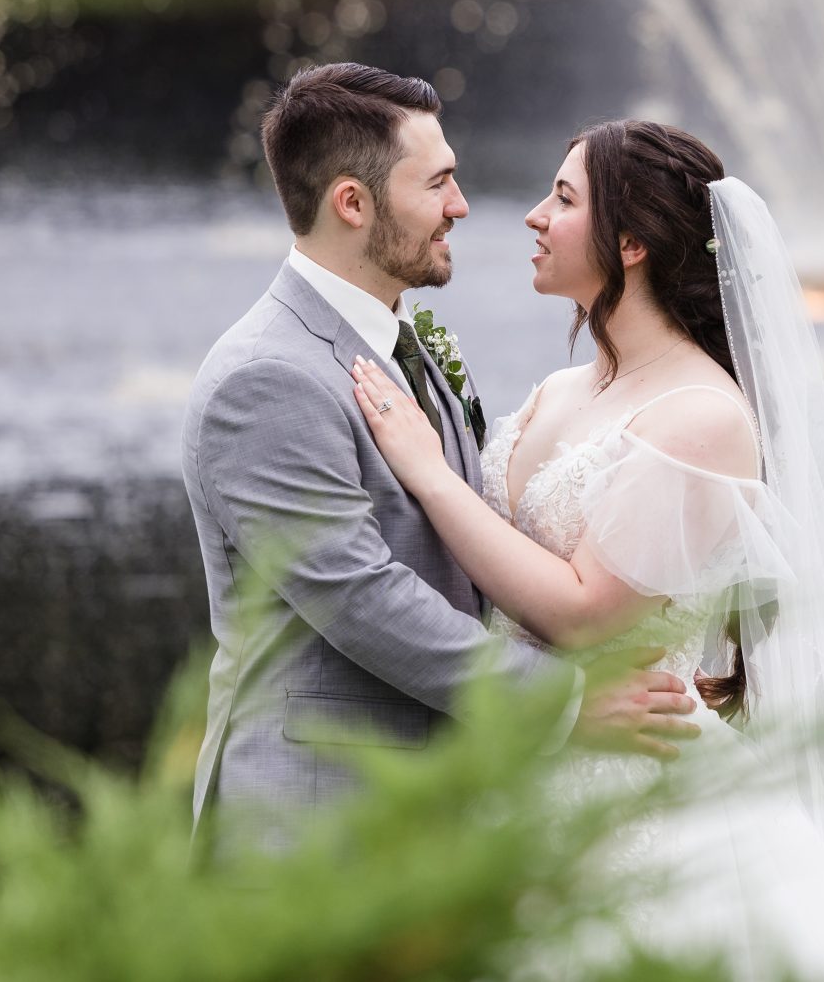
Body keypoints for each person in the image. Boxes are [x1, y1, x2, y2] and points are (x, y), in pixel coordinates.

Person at [348, 119, 824, 982]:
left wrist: (430, 473)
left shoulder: (702, 416)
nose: (530, 218)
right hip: (515, 752)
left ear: (630, 243)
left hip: (630, 784)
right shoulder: (561, 389)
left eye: (561, 199)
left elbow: (589, 612)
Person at [180, 64, 699, 853]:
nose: (461, 206)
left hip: (428, 811)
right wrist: (566, 702)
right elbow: (359, 595)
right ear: (353, 203)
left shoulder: (398, 342)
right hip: (314, 825)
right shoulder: (268, 377)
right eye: (440, 184)